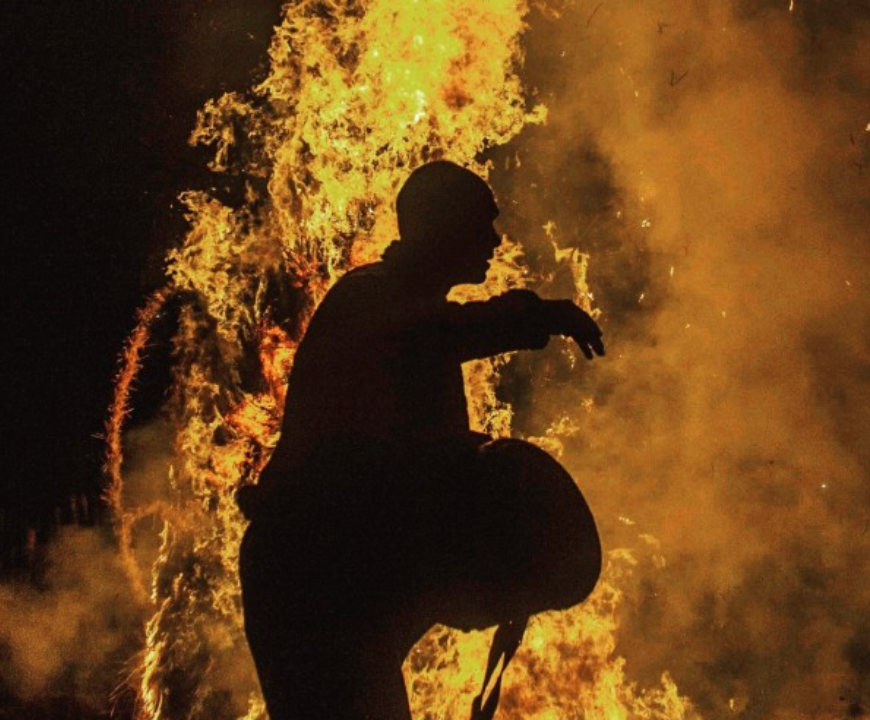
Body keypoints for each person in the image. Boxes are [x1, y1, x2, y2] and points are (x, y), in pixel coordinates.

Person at [237, 161, 604, 720]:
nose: (493, 239)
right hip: (309, 577)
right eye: (481, 224)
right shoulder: (370, 300)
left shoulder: (404, 317)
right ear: (439, 226)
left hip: (346, 578)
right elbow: (436, 336)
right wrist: (536, 314)